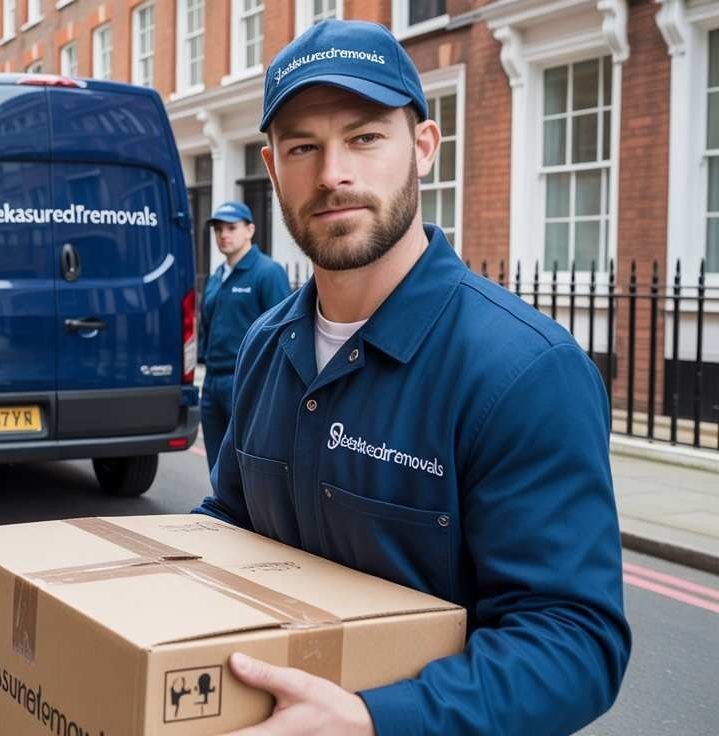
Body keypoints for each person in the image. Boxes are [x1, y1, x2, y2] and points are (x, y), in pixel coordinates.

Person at [194, 20, 630, 736]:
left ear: (423, 147)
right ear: (273, 169)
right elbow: (237, 525)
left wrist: (375, 720)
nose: (334, 172)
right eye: (303, 146)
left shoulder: (525, 371)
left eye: (365, 137)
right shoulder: (266, 347)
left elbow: (574, 642)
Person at [197, 201, 290, 470]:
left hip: (246, 381)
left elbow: (282, 333)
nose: (223, 235)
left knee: (248, 465)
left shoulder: (268, 272)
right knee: (217, 466)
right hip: (213, 383)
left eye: (231, 228)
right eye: (218, 229)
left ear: (250, 230)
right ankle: (220, 513)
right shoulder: (217, 277)